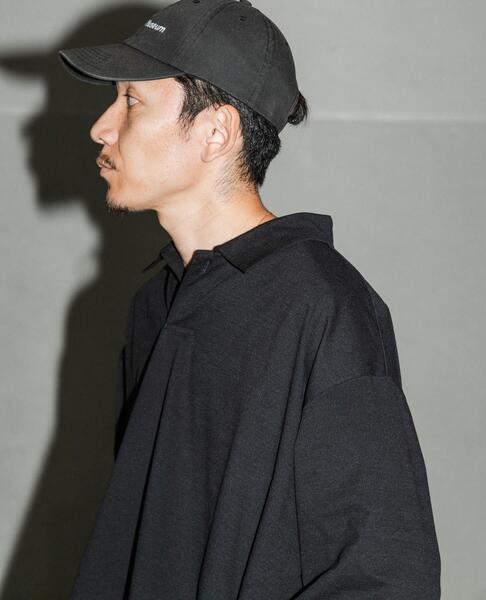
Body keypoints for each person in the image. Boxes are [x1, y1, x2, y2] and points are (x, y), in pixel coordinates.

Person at [58, 1, 441, 598]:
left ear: (216, 132)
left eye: (131, 101)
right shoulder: (156, 305)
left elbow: (385, 571)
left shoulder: (321, 304)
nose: (101, 128)